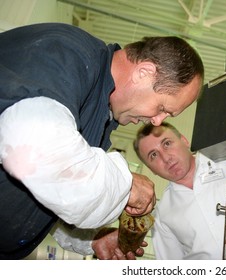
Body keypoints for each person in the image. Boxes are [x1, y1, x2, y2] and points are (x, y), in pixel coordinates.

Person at [0, 22, 204, 259]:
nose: (157, 122)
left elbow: (46, 189)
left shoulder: (99, 114)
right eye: (161, 108)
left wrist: (91, 238)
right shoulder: (68, 53)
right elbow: (32, 151)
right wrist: (125, 186)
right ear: (144, 73)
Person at [133, 122, 226, 259]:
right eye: (153, 155)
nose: (166, 158)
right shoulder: (162, 215)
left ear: (184, 141)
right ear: (151, 169)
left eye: (166, 144)